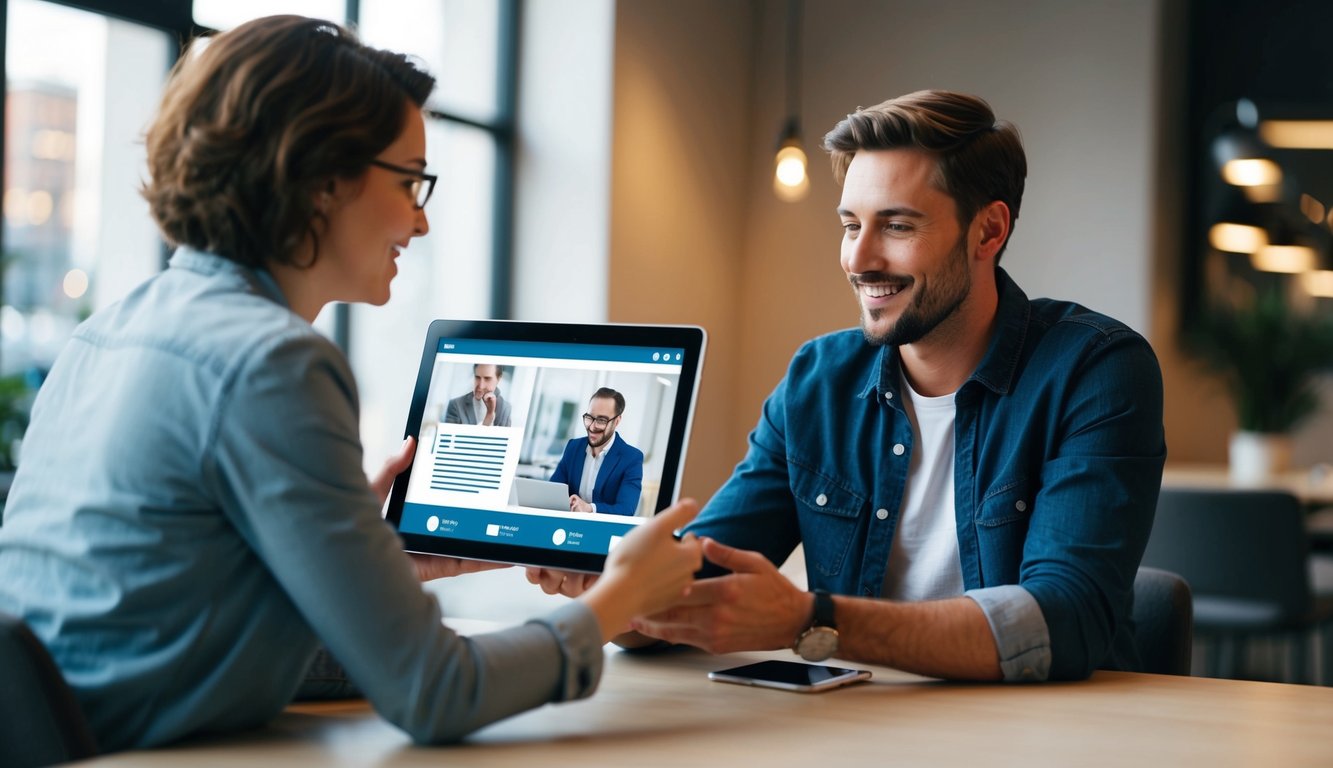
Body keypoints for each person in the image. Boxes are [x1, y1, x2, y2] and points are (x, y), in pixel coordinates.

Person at [0, 15, 701, 753]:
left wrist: (353, 569)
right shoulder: (275, 362)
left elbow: (145, 617)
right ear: (322, 178)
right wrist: (616, 600)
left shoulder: (107, 329)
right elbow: (435, 693)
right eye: (410, 182)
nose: (421, 222)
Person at [614, 90, 1167, 682]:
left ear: (988, 231)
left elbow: (1068, 619)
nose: (860, 257)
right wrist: (610, 594)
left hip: (1040, 735)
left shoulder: (1096, 370)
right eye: (851, 225)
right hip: (861, 728)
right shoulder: (818, 381)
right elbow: (695, 587)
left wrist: (810, 619)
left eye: (897, 225)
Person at [549, 387, 644, 516]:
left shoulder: (631, 458)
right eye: (590, 417)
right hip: (568, 525)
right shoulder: (573, 447)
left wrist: (589, 508)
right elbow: (553, 491)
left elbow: (626, 510)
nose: (592, 427)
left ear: (616, 421)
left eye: (601, 420)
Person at [443, 363, 511, 426]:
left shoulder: (505, 408)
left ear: (498, 379)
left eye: (487, 378)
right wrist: (489, 416)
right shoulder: (455, 405)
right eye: (477, 377)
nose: (481, 386)